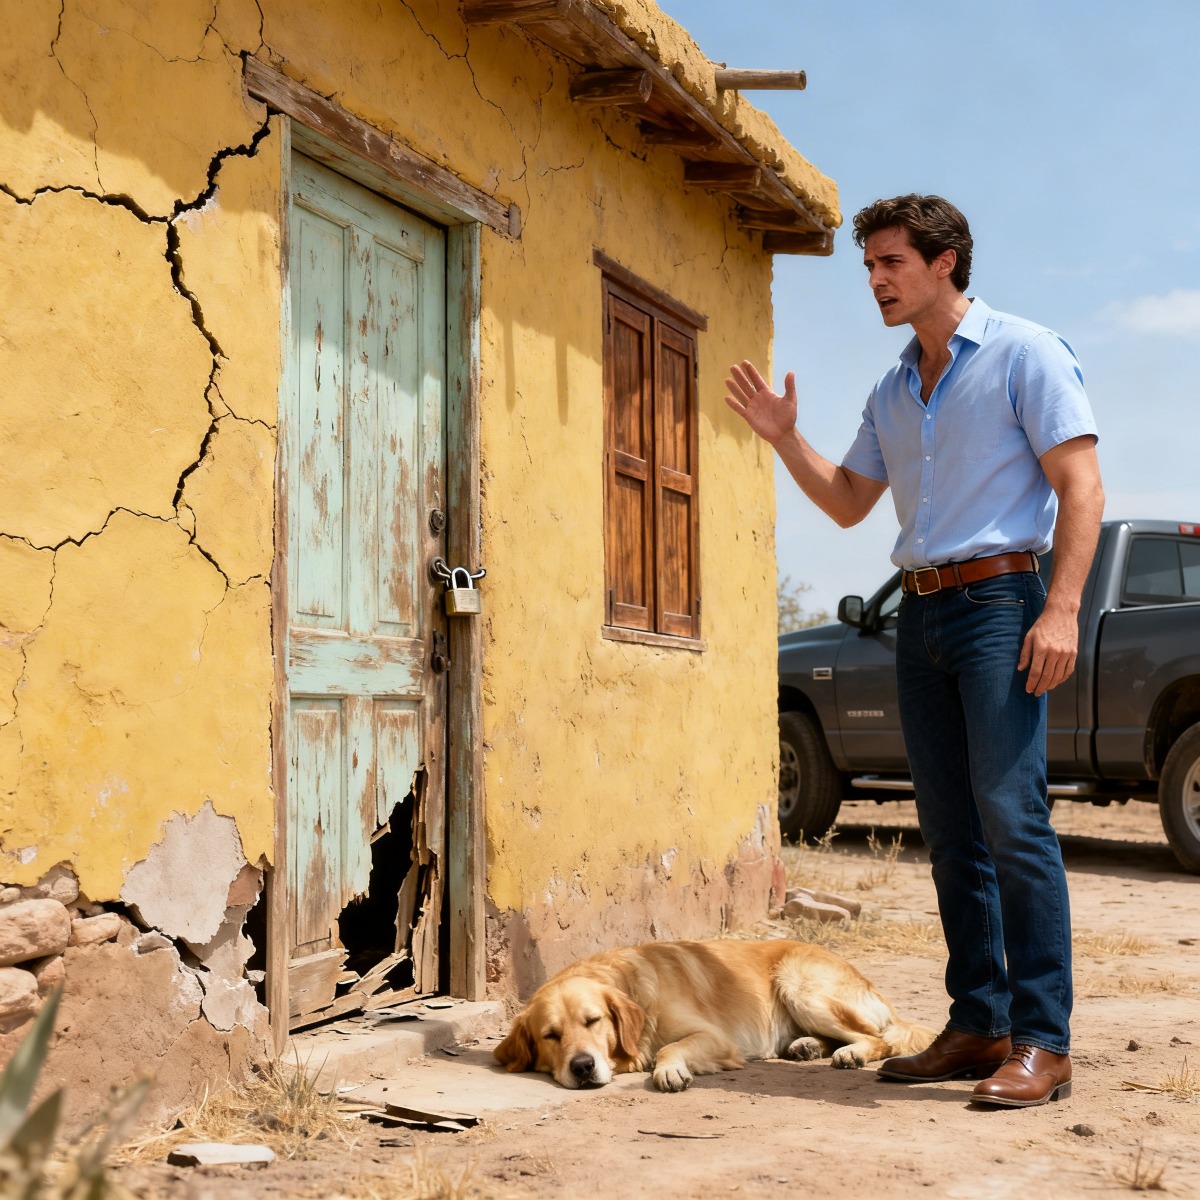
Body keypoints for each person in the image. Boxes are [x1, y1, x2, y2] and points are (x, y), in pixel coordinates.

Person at [726, 194, 1104, 1108]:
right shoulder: (894, 389)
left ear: (945, 263)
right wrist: (785, 440)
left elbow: (1081, 486)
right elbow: (852, 499)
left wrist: (1059, 611)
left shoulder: (1025, 352)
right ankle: (977, 1023)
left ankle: (1042, 1040)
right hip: (923, 617)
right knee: (948, 829)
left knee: (1013, 816)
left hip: (1003, 603)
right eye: (868, 267)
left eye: (890, 262)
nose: (875, 281)